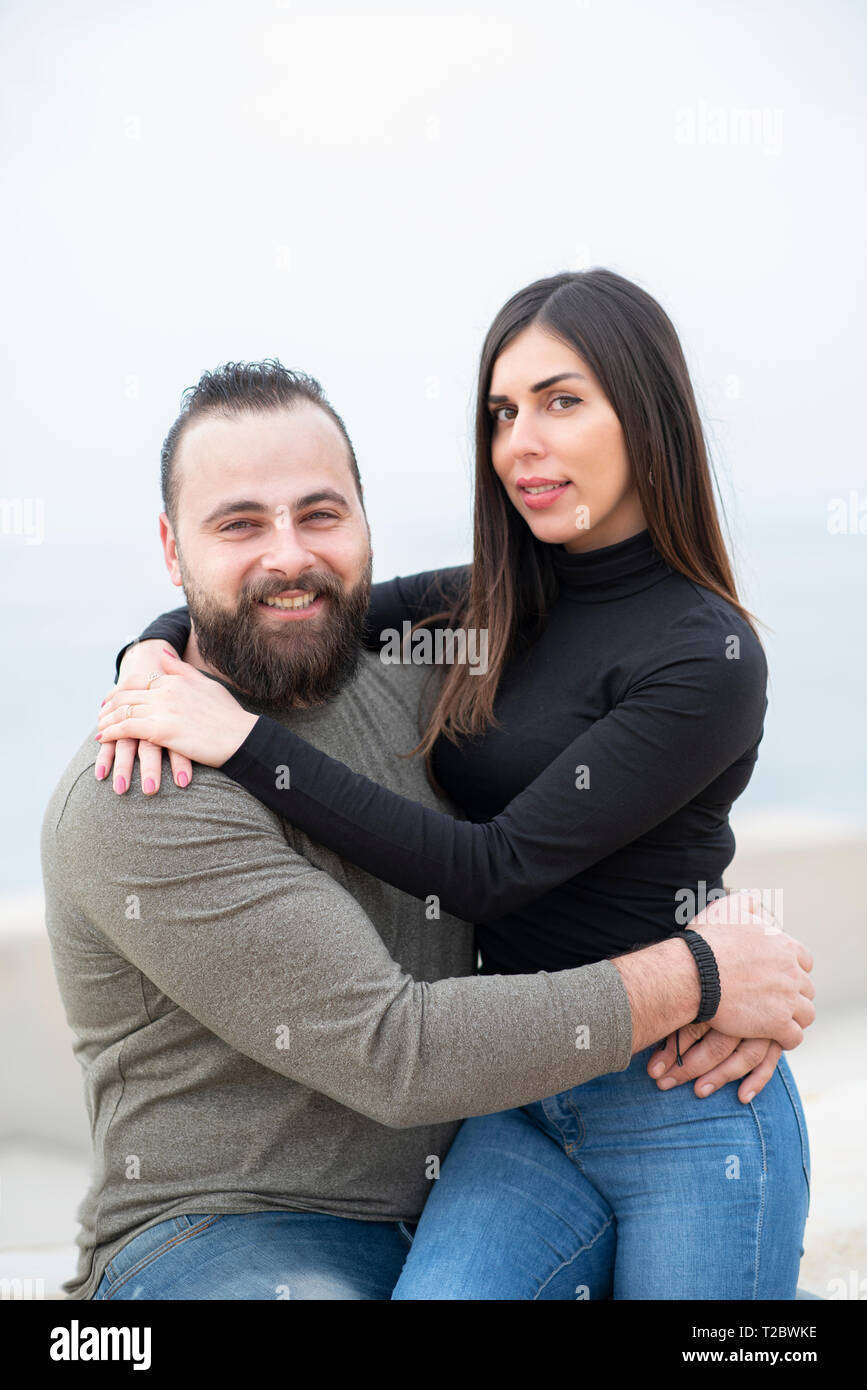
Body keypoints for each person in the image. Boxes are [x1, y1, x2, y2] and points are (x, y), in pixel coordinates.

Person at [91, 275, 812, 1300]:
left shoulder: (708, 655)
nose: (521, 443)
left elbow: (497, 869)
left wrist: (242, 740)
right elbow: (294, 605)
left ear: (646, 413)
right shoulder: (492, 601)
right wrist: (145, 655)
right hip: (517, 1099)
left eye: (561, 401)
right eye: (501, 413)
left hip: (683, 1087)